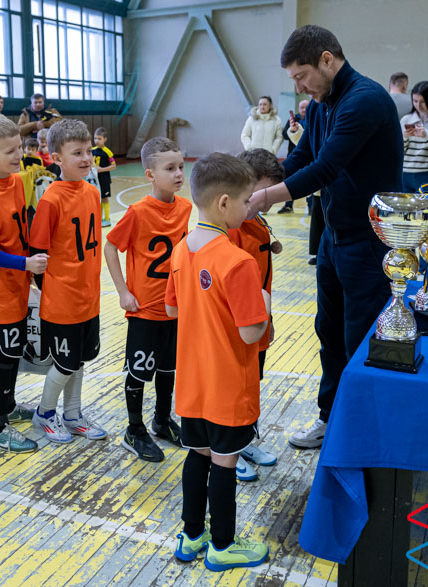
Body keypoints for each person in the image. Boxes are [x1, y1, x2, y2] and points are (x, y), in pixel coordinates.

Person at [246, 26, 401, 449]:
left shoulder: (365, 101)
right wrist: (255, 180)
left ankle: (361, 432)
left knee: (360, 337)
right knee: (329, 332)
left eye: (301, 76)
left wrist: (264, 198)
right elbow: (302, 157)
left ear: (327, 60)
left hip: (369, 241)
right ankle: (332, 417)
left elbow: (326, 168)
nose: (299, 86)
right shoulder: (320, 106)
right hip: (334, 238)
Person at [166, 152, 271, 572]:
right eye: (246, 201)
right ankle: (224, 545)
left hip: (193, 382)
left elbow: (172, 309)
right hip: (227, 384)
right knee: (225, 463)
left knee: (198, 455)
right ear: (224, 202)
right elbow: (251, 334)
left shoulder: (180, 249)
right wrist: (265, 305)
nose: (249, 209)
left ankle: (192, 536)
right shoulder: (237, 260)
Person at [104, 136, 191, 463]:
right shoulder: (138, 212)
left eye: (180, 166)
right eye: (170, 168)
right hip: (144, 309)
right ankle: (134, 429)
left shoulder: (185, 208)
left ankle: (161, 420)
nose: (179, 173)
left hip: (174, 306)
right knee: (139, 371)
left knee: (168, 368)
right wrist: (123, 291)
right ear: (150, 174)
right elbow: (110, 247)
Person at [0, 114, 49, 453]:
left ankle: (10, 405)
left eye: (19, 147)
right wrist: (25, 264)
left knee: (13, 356)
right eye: (9, 151)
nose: (19, 155)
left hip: (17, 288)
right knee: (2, 360)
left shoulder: (17, 182)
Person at [29, 119, 106, 443]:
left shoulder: (91, 192)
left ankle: (72, 414)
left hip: (89, 296)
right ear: (57, 158)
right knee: (64, 362)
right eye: (77, 153)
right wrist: (55, 290)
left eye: (88, 151)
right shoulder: (51, 199)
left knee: (80, 359)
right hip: (62, 300)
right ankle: (45, 413)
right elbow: (37, 253)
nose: (86, 158)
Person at [229, 149, 285, 482]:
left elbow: (263, 279)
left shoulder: (258, 221)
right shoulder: (232, 228)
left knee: (252, 384)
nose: (269, 200)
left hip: (258, 322)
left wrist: (269, 319)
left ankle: (244, 440)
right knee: (235, 387)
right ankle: (228, 448)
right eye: (264, 193)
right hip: (239, 327)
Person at [277, 99, 307, 214]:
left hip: (309, 156)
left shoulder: (314, 118)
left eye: (306, 107)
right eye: (302, 107)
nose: (304, 110)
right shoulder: (293, 119)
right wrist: (293, 130)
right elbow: (285, 134)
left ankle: (311, 206)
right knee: (289, 180)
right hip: (294, 154)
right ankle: (288, 205)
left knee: (310, 179)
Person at [92, 127, 116, 227]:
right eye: (95, 138)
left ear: (105, 139)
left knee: (104, 198)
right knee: (96, 198)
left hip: (104, 179)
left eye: (99, 138)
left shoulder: (108, 152)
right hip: (94, 179)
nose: (96, 141)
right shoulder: (92, 150)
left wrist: (101, 169)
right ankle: (99, 218)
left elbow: (113, 166)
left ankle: (106, 219)